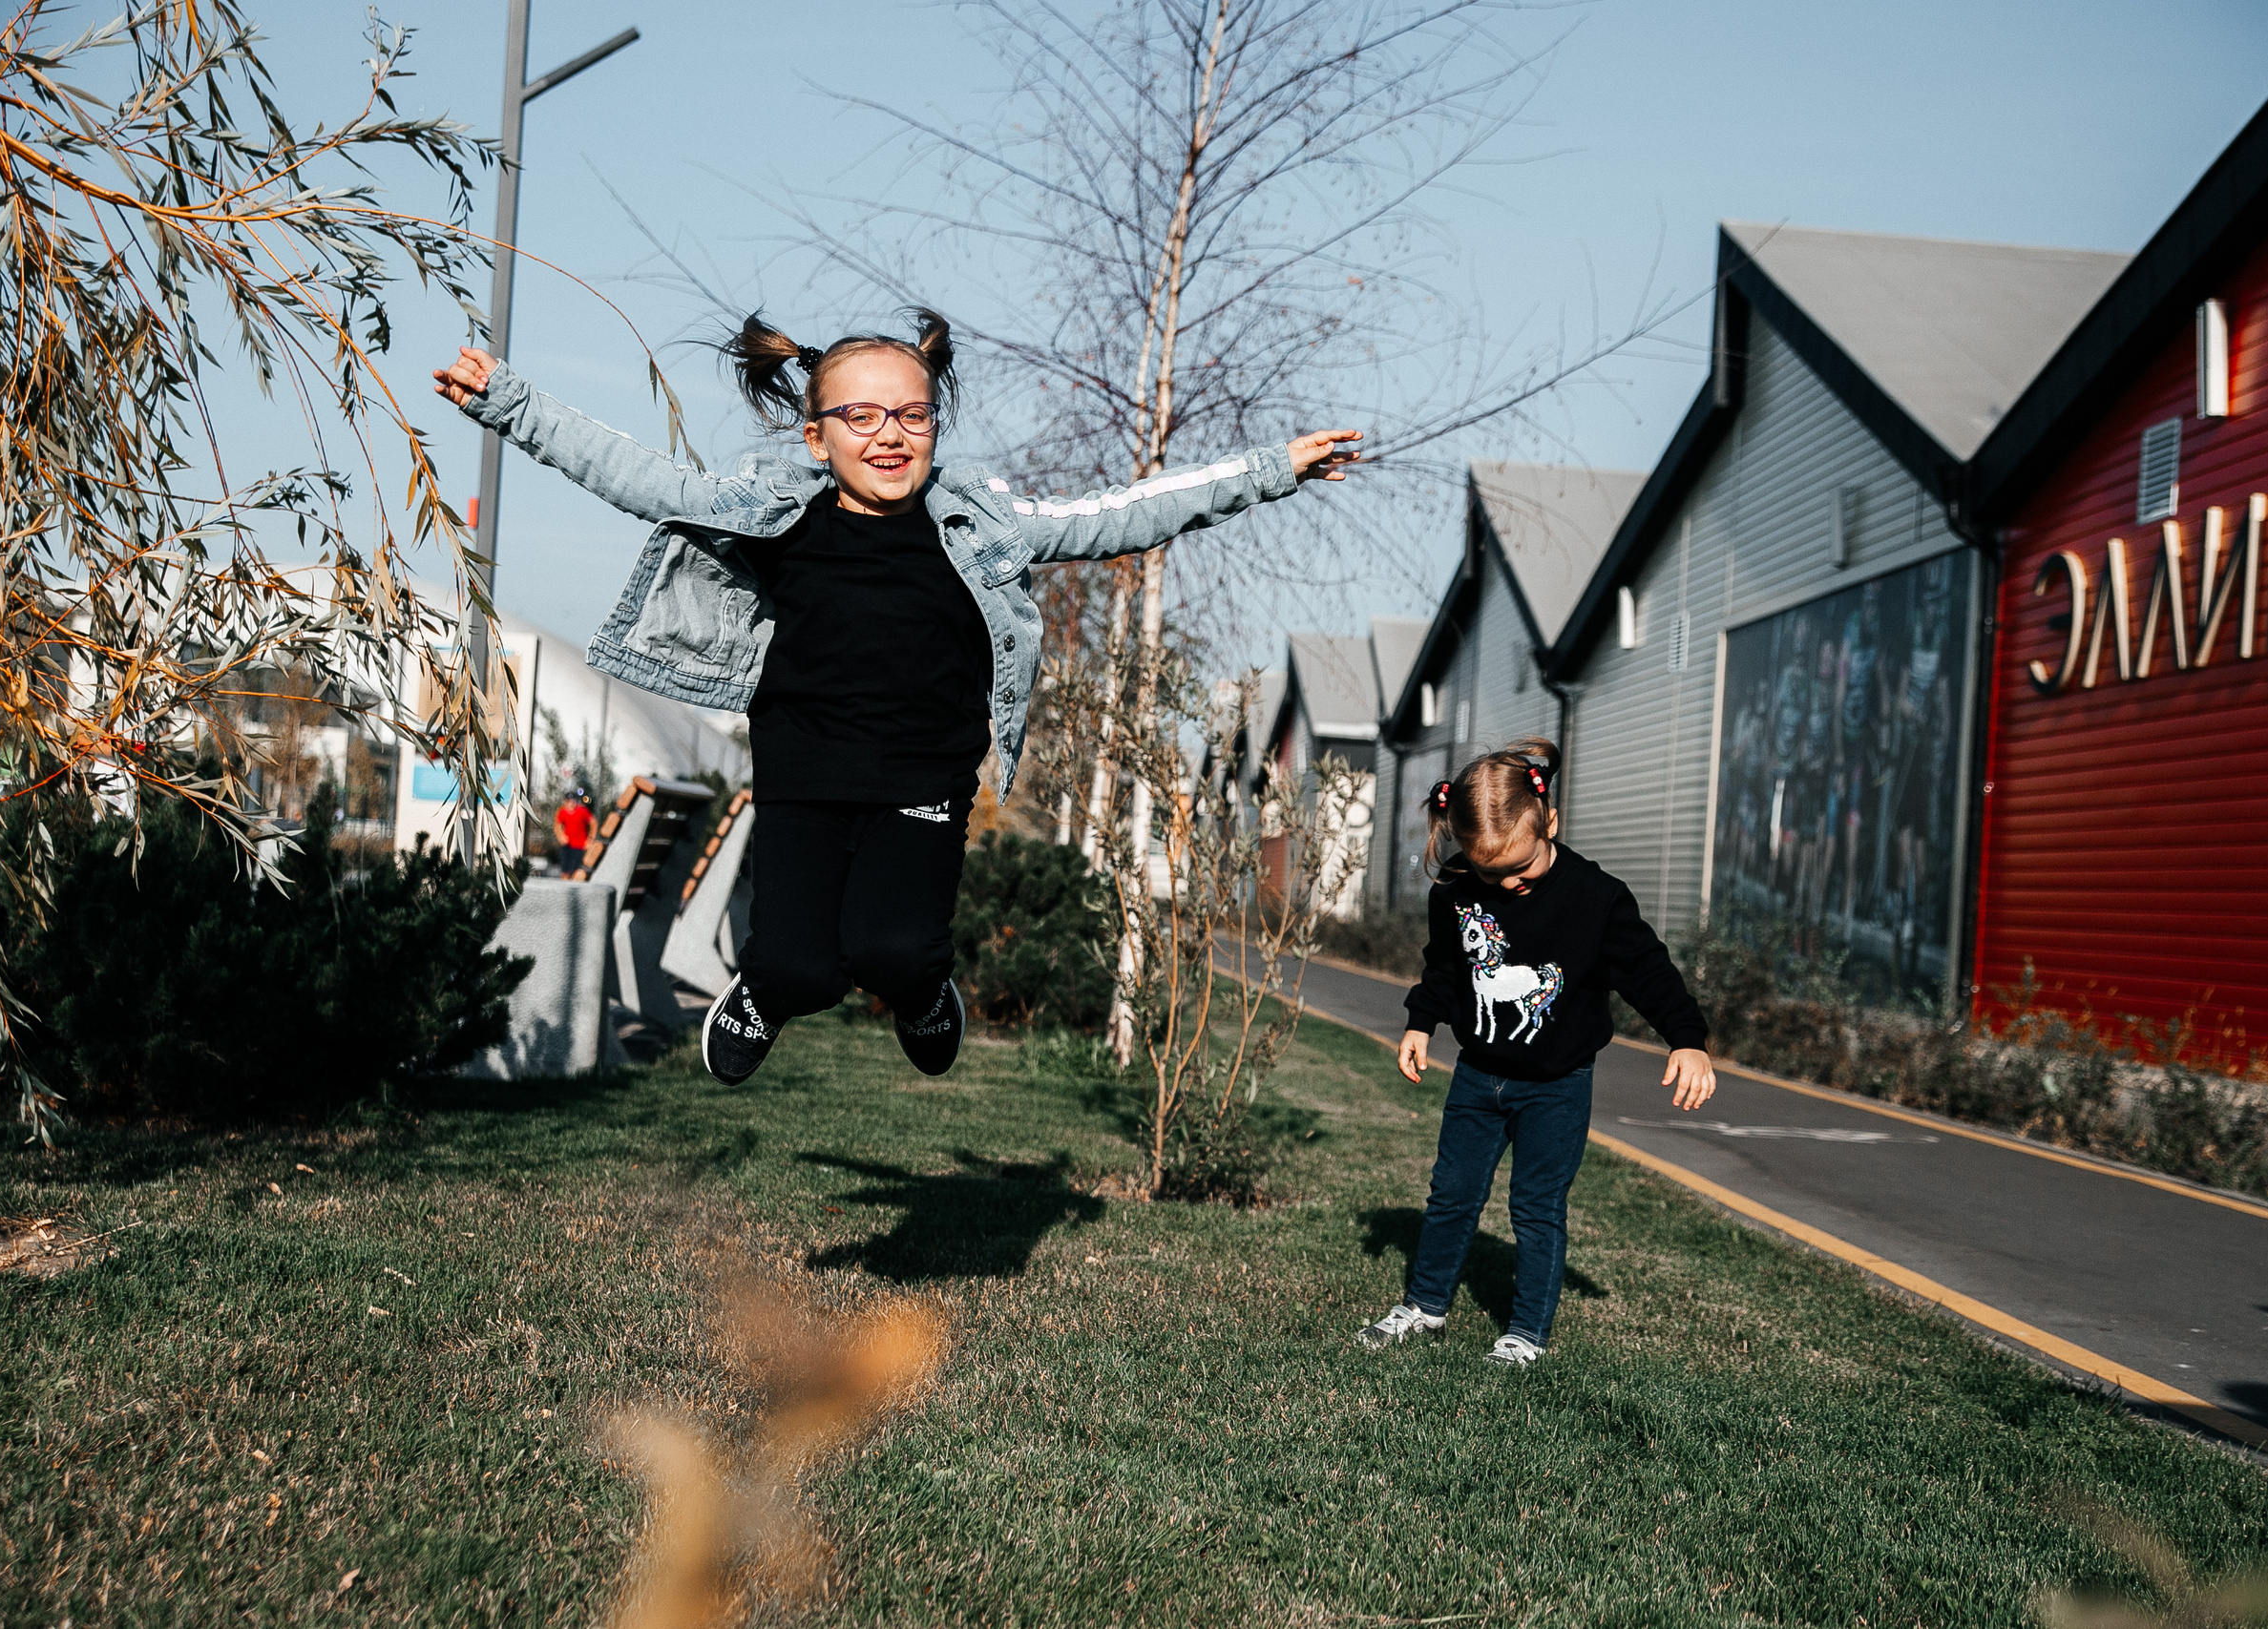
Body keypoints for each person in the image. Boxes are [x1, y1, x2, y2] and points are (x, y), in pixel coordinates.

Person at [432, 309, 1361, 1083]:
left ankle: (924, 995)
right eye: (863, 417)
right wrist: (509, 402)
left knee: (892, 952)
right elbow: (636, 476)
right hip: (802, 777)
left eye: (911, 417)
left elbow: (1123, 511)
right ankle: (763, 993)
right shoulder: (775, 516)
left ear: (932, 427)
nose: (889, 436)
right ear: (817, 435)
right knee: (794, 965)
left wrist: (1271, 469)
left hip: (922, 777)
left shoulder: (982, 526)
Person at [1357, 738, 1717, 1367]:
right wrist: (1421, 1022)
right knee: (1451, 1193)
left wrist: (1687, 1038)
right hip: (1477, 1076)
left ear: (1549, 821)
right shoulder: (1459, 894)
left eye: (1521, 866)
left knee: (1536, 1205)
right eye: (1493, 872)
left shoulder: (1595, 897)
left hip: (1556, 1083)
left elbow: (1648, 970)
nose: (1510, 883)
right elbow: (1446, 967)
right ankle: (1425, 1303)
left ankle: (1525, 1332)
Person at [552, 785, 594, 875]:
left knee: (576, 872)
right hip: (567, 846)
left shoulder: (582, 811)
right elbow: (557, 825)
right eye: (568, 801)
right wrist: (561, 836)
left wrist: (590, 839)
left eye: (572, 801)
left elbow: (593, 823)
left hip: (579, 846)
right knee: (565, 871)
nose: (571, 803)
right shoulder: (562, 812)